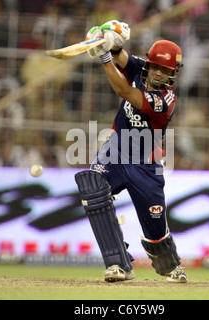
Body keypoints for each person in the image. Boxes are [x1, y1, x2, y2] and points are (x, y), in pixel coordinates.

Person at [74, 20, 187, 283]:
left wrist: (103, 56)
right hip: (115, 151)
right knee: (94, 190)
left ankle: (170, 265)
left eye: (165, 70)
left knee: (156, 233)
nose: (158, 73)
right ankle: (118, 265)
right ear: (149, 63)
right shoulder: (140, 67)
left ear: (174, 74)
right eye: (155, 66)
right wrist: (107, 39)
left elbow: (122, 90)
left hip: (145, 165)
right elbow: (120, 55)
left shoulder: (164, 101)